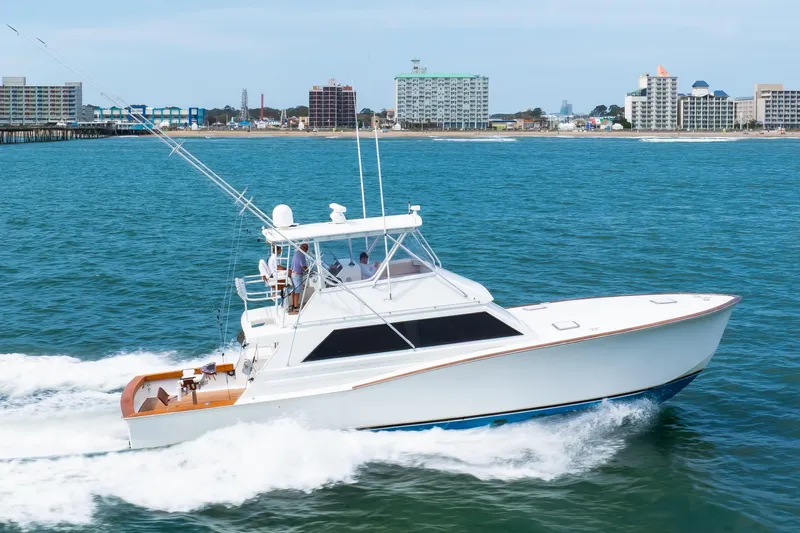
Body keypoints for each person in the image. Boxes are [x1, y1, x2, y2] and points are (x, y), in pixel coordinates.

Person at [288, 243, 309, 312]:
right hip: (297, 275)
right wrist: (309, 270)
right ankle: (296, 307)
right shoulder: (301, 255)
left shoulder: (296, 253)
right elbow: (303, 266)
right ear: (305, 249)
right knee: (297, 292)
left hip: (293, 274)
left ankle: (294, 305)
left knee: (294, 291)